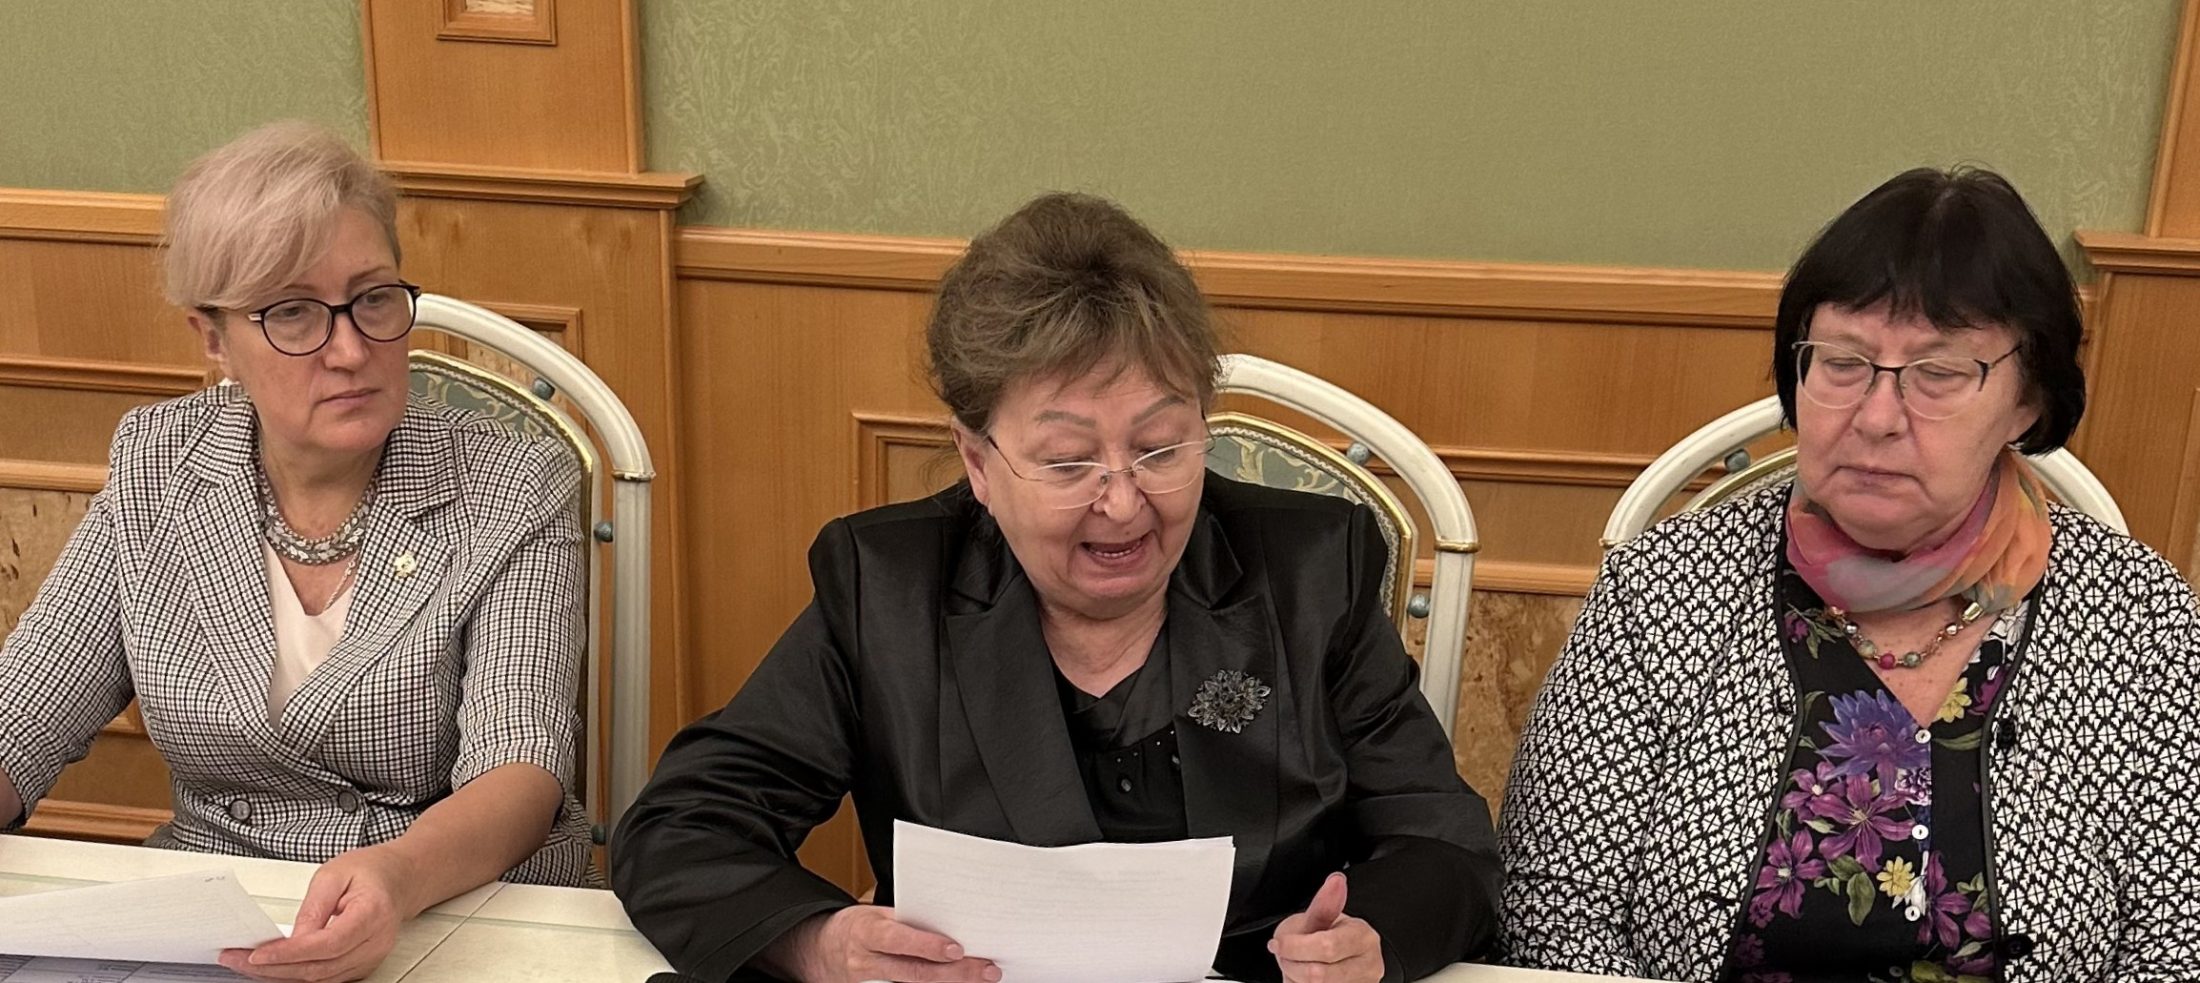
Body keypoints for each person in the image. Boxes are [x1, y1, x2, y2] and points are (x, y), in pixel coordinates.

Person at [612, 192, 1499, 983]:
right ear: (978, 463)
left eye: (1160, 447)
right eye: (1070, 461)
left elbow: (1442, 842)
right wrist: (818, 943)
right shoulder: (889, 589)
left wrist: (1367, 940)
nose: (1124, 501)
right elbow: (684, 827)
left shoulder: (1310, 572)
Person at [1499, 166, 2200, 982]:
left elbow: (2181, 941)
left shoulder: (2136, 615)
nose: (1875, 416)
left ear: (2028, 400)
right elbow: (1553, 910)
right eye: (1842, 362)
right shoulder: (1663, 588)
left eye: (1938, 373)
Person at [0, 121, 596, 983]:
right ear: (213, 337)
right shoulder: (160, 462)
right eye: (291, 313)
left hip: (453, 908)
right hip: (217, 920)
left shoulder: (512, 482)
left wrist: (398, 876)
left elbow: (521, 766)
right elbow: (23, 716)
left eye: (374, 299)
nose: (350, 350)